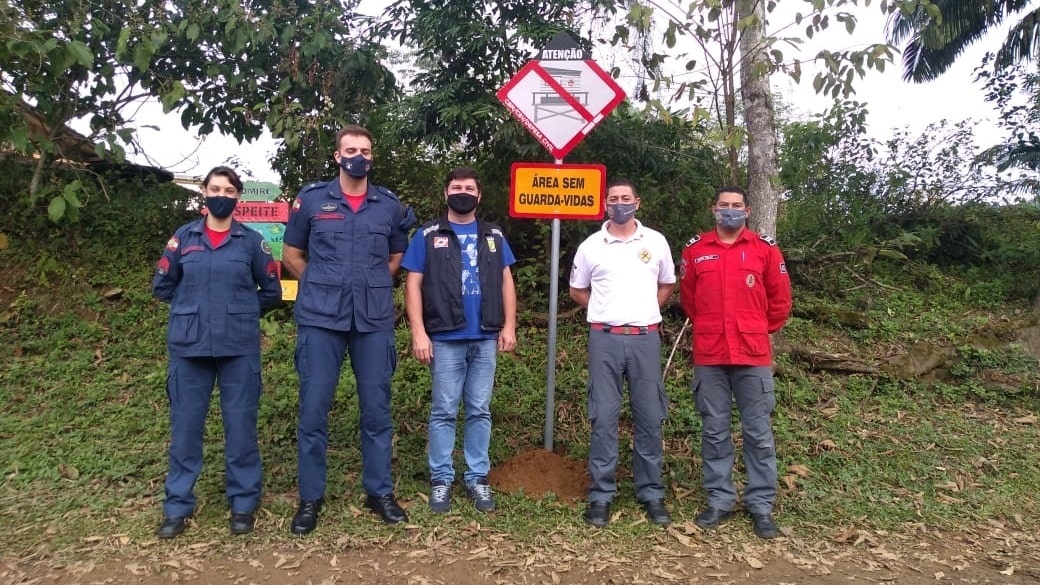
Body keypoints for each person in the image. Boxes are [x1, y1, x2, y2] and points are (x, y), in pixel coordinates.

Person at [282, 125, 414, 533]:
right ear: (337, 156)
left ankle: (379, 492)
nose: (359, 155)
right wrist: (321, 285)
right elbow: (291, 254)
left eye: (366, 150)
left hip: (372, 321)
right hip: (321, 319)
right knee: (313, 409)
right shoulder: (313, 200)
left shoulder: (387, 206)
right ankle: (310, 499)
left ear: (373, 156)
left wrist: (369, 286)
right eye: (351, 149)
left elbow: (396, 257)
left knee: (377, 410)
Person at [151, 165, 282, 538]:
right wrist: (193, 307)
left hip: (238, 347)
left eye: (228, 190)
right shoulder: (184, 237)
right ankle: (177, 505)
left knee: (240, 429)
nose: (221, 195)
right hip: (189, 348)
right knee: (185, 431)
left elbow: (270, 291)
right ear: (203, 194)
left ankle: (243, 503)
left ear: (238, 197)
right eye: (215, 189)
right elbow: (162, 286)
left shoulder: (252, 241)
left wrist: (238, 310)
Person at [401, 167, 517, 514]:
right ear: (445, 194)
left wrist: (509, 326)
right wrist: (418, 331)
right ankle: (441, 479)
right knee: (444, 411)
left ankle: (477, 476)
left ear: (479, 196)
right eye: (456, 187)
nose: (462, 192)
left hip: (485, 335)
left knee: (480, 410)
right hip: (445, 336)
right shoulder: (427, 234)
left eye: (469, 187)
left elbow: (507, 281)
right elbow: (413, 284)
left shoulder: (493, 234)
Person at [678, 185, 792, 540]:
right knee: (714, 432)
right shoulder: (696, 250)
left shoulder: (765, 250)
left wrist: (756, 329)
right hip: (710, 355)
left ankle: (760, 505)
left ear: (748, 209)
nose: (730, 210)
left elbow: (780, 302)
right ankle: (720, 499)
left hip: (752, 356)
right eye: (724, 205)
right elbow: (690, 301)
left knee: (758, 434)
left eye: (736, 205)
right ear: (714, 209)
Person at [568, 178, 675, 528]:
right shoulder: (590, 246)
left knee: (648, 416)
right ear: (604, 204)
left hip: (645, 338)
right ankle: (601, 495)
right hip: (605, 338)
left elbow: (667, 284)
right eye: (613, 198)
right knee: (603, 417)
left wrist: (645, 313)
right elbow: (577, 290)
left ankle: (651, 493)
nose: (619, 203)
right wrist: (605, 311)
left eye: (625, 198)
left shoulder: (656, 242)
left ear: (637, 202)